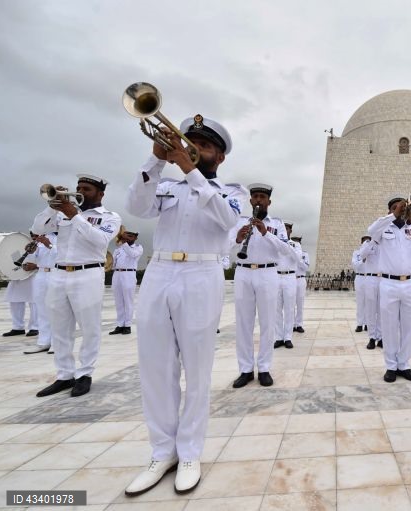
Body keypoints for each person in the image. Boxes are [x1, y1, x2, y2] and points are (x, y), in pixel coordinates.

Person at [124, 115, 245, 496]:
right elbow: (136, 207)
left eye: (203, 145)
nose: (191, 148)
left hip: (201, 274)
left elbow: (227, 218)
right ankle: (162, 451)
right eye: (188, 141)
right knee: (155, 367)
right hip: (159, 270)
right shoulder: (167, 186)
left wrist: (190, 170)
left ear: (220, 157)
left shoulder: (232, 191)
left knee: (197, 369)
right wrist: (156, 160)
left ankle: (190, 452)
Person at [32, 174, 121, 398]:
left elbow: (100, 240)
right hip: (59, 273)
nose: (80, 191)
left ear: (100, 194)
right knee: (60, 328)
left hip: (88, 273)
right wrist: (52, 208)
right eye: (78, 187)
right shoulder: (61, 214)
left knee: (90, 327)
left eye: (86, 189)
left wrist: (75, 216)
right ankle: (64, 375)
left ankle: (85, 374)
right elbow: (37, 229)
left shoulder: (110, 217)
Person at [230, 183, 294, 389]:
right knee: (243, 323)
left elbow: (285, 250)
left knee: (267, 322)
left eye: (262, 197)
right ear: (250, 200)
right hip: (243, 272)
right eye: (255, 196)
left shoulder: (277, 224)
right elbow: (226, 245)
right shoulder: (239, 220)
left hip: (267, 273)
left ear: (269, 201)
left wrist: (266, 233)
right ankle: (245, 369)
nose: (258, 200)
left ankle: (264, 367)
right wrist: (238, 238)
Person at [366, 196, 411, 383]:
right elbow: (371, 230)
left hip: (410, 284)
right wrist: (392, 215)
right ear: (390, 210)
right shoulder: (384, 227)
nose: (400, 210)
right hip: (389, 284)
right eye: (396, 207)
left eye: (403, 207)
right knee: (389, 327)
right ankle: (391, 365)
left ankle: (404, 364)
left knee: (408, 327)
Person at [22, 232, 57, 354]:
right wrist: (30, 251)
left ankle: (57, 343)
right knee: (41, 309)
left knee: (56, 310)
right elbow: (33, 259)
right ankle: (44, 342)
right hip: (41, 274)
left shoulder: (65, 234)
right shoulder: (42, 236)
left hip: (56, 273)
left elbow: (65, 256)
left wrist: (49, 245)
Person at [110, 229, 143, 335]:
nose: (128, 237)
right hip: (117, 274)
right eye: (126, 235)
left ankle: (127, 325)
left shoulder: (138, 248)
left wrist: (124, 243)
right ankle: (120, 325)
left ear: (135, 238)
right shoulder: (118, 249)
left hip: (129, 274)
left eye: (131, 236)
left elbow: (132, 254)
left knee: (128, 301)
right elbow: (112, 264)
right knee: (118, 301)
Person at [274, 221, 301, 349]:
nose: (285, 231)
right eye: (283, 229)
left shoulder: (295, 244)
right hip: (276, 276)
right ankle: (279, 337)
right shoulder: (275, 243)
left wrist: (287, 246)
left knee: (289, 308)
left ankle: (288, 337)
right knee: (276, 309)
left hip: (290, 276)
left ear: (290, 231)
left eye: (287, 229)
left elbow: (297, 258)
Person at [358, 233, 383, 349]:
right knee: (370, 309)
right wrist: (372, 242)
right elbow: (362, 254)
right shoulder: (367, 243)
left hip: (383, 278)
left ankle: (381, 337)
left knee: (382, 310)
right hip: (370, 278)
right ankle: (372, 337)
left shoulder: (384, 243)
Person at [351, 236, 371, 333]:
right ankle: (359, 324)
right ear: (361, 243)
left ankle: (367, 323)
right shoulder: (356, 253)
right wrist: (362, 261)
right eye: (365, 242)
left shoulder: (372, 253)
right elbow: (354, 265)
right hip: (360, 277)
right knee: (360, 302)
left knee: (369, 302)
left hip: (369, 278)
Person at [292, 235, 308, 333]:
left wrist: (299, 259)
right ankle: (292, 324)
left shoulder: (305, 254)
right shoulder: (289, 253)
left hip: (301, 279)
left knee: (300, 303)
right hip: (291, 279)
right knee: (290, 304)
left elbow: (305, 267)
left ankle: (299, 324)